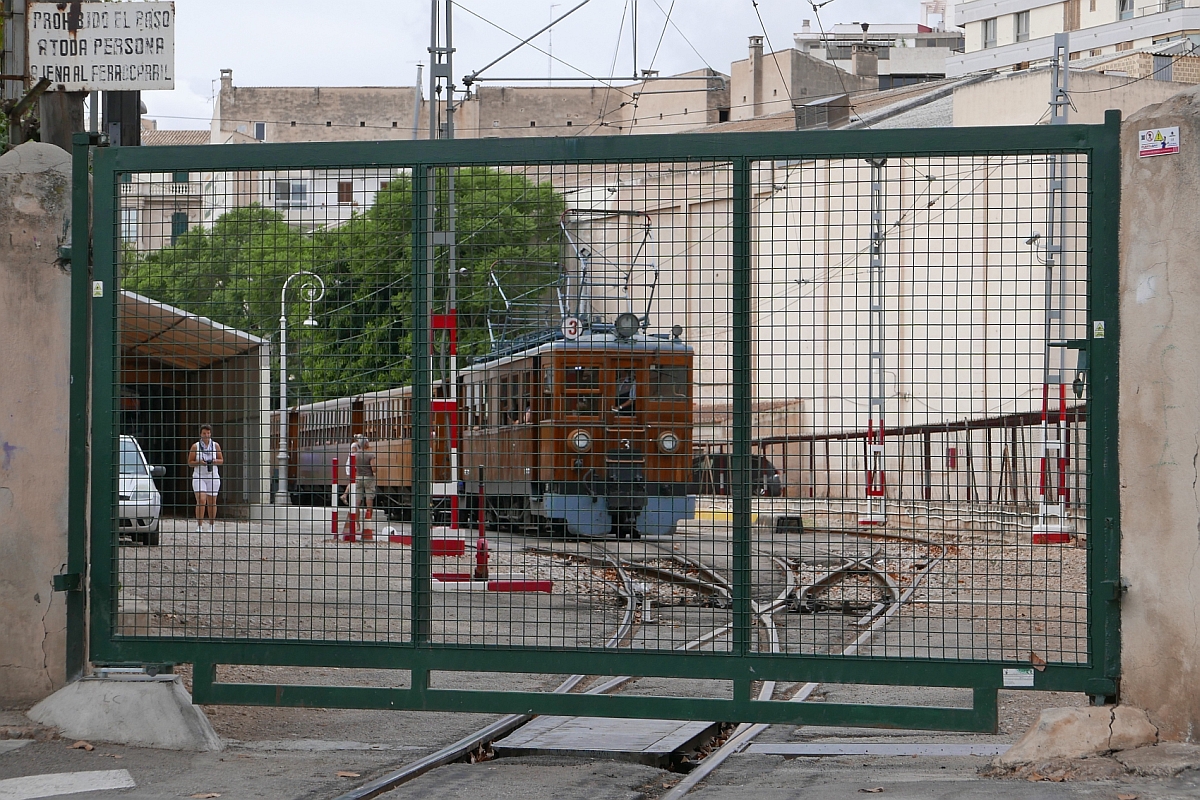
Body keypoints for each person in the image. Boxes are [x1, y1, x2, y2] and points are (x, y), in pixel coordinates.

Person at [188, 424, 223, 533]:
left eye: (208, 433)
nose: (206, 435)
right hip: (199, 475)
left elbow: (221, 460)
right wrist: (199, 462)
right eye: (204, 433)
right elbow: (190, 462)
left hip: (212, 475)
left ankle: (212, 524)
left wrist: (214, 461)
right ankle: (199, 525)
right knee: (201, 499)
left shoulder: (215, 445)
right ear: (201, 434)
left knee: (212, 501)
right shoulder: (196, 446)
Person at [346, 434, 377, 516]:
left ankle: (356, 521)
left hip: (358, 477)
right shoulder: (370, 455)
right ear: (366, 443)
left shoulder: (355, 455)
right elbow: (373, 469)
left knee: (357, 500)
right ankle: (368, 521)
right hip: (369, 478)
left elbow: (353, 467)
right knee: (369, 500)